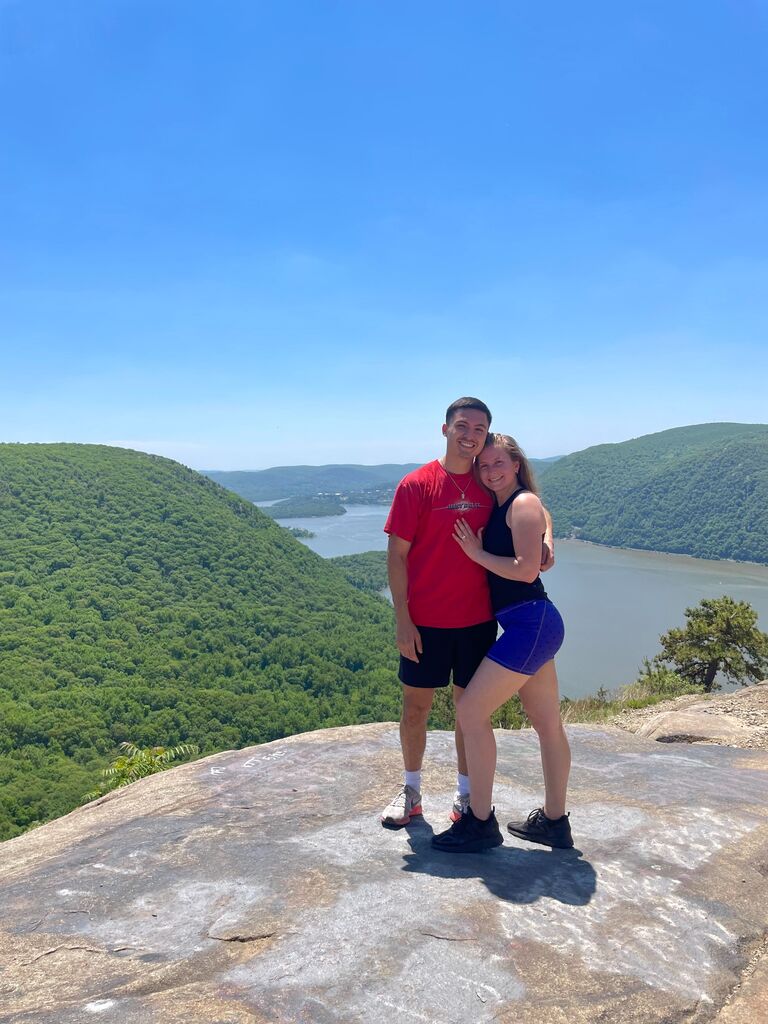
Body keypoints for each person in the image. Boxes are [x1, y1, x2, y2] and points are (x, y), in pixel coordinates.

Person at [380, 402, 553, 828]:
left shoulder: (487, 482)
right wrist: (402, 618)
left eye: (479, 428)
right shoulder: (416, 485)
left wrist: (547, 539)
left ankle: (465, 796)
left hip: (478, 622)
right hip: (425, 622)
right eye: (462, 426)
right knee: (415, 709)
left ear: (487, 434)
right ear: (445, 429)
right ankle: (411, 791)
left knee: (467, 714)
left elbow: (529, 503)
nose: (470, 434)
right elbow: (397, 556)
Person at [431, 432, 572, 853]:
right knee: (547, 724)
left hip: (529, 624)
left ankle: (479, 822)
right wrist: (549, 535)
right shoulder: (515, 502)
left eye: (499, 464)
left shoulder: (521, 502)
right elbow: (541, 514)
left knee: (470, 711)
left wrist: (476, 555)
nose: (491, 471)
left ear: (516, 464)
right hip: (531, 626)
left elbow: (526, 572)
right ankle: (555, 823)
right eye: (484, 465)